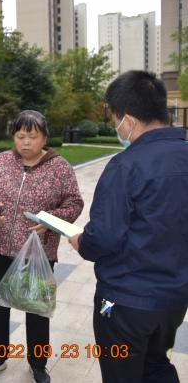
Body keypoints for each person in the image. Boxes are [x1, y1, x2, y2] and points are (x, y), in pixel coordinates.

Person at [68, 71, 188, 383]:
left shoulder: (126, 166)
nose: (117, 128)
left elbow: (104, 236)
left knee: (122, 374)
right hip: (174, 299)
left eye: (115, 121)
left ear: (129, 120)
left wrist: (83, 242)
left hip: (126, 302)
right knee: (156, 366)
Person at [0, 110, 83, 383]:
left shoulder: (59, 167)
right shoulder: (0, 162)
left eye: (32, 136)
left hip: (38, 251)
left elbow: (74, 203)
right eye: (20, 136)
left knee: (36, 309)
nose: (26, 142)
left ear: (44, 138)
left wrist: (50, 220)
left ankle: (38, 363)